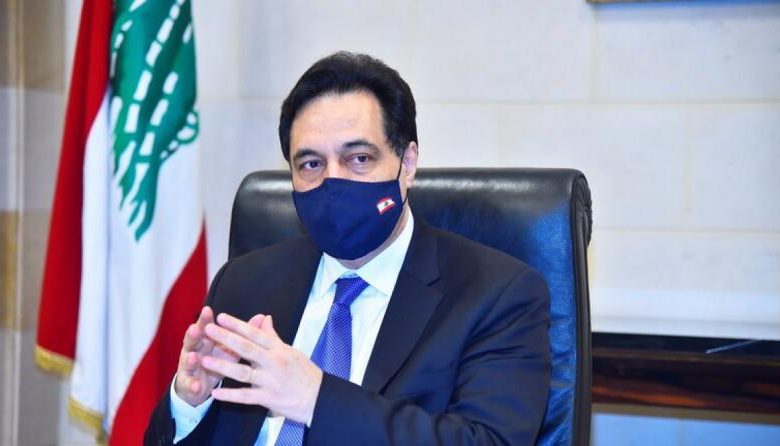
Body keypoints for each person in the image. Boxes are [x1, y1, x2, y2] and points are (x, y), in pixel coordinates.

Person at [145, 51, 550, 445]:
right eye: (311, 164)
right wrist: (190, 403)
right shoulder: (245, 282)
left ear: (407, 163)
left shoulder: (496, 295)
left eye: (358, 158)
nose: (333, 182)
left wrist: (315, 399)